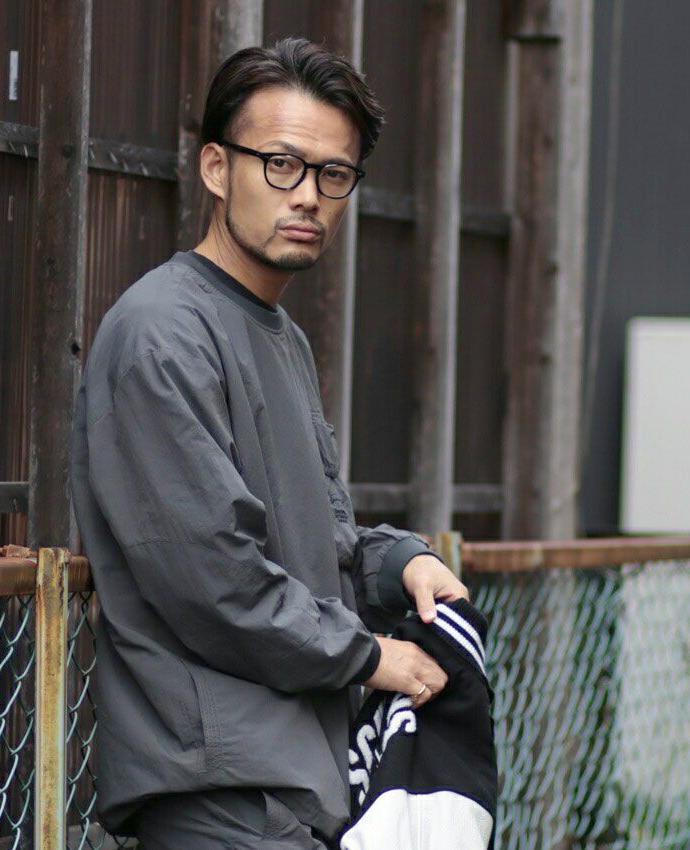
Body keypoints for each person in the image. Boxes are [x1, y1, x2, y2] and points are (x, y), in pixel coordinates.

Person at [69, 36, 470, 850]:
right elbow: (215, 581)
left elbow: (316, 542)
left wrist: (401, 563)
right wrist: (374, 658)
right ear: (218, 168)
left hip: (291, 787)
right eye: (281, 165)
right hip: (219, 794)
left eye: (334, 174)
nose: (309, 196)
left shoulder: (279, 335)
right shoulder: (162, 332)